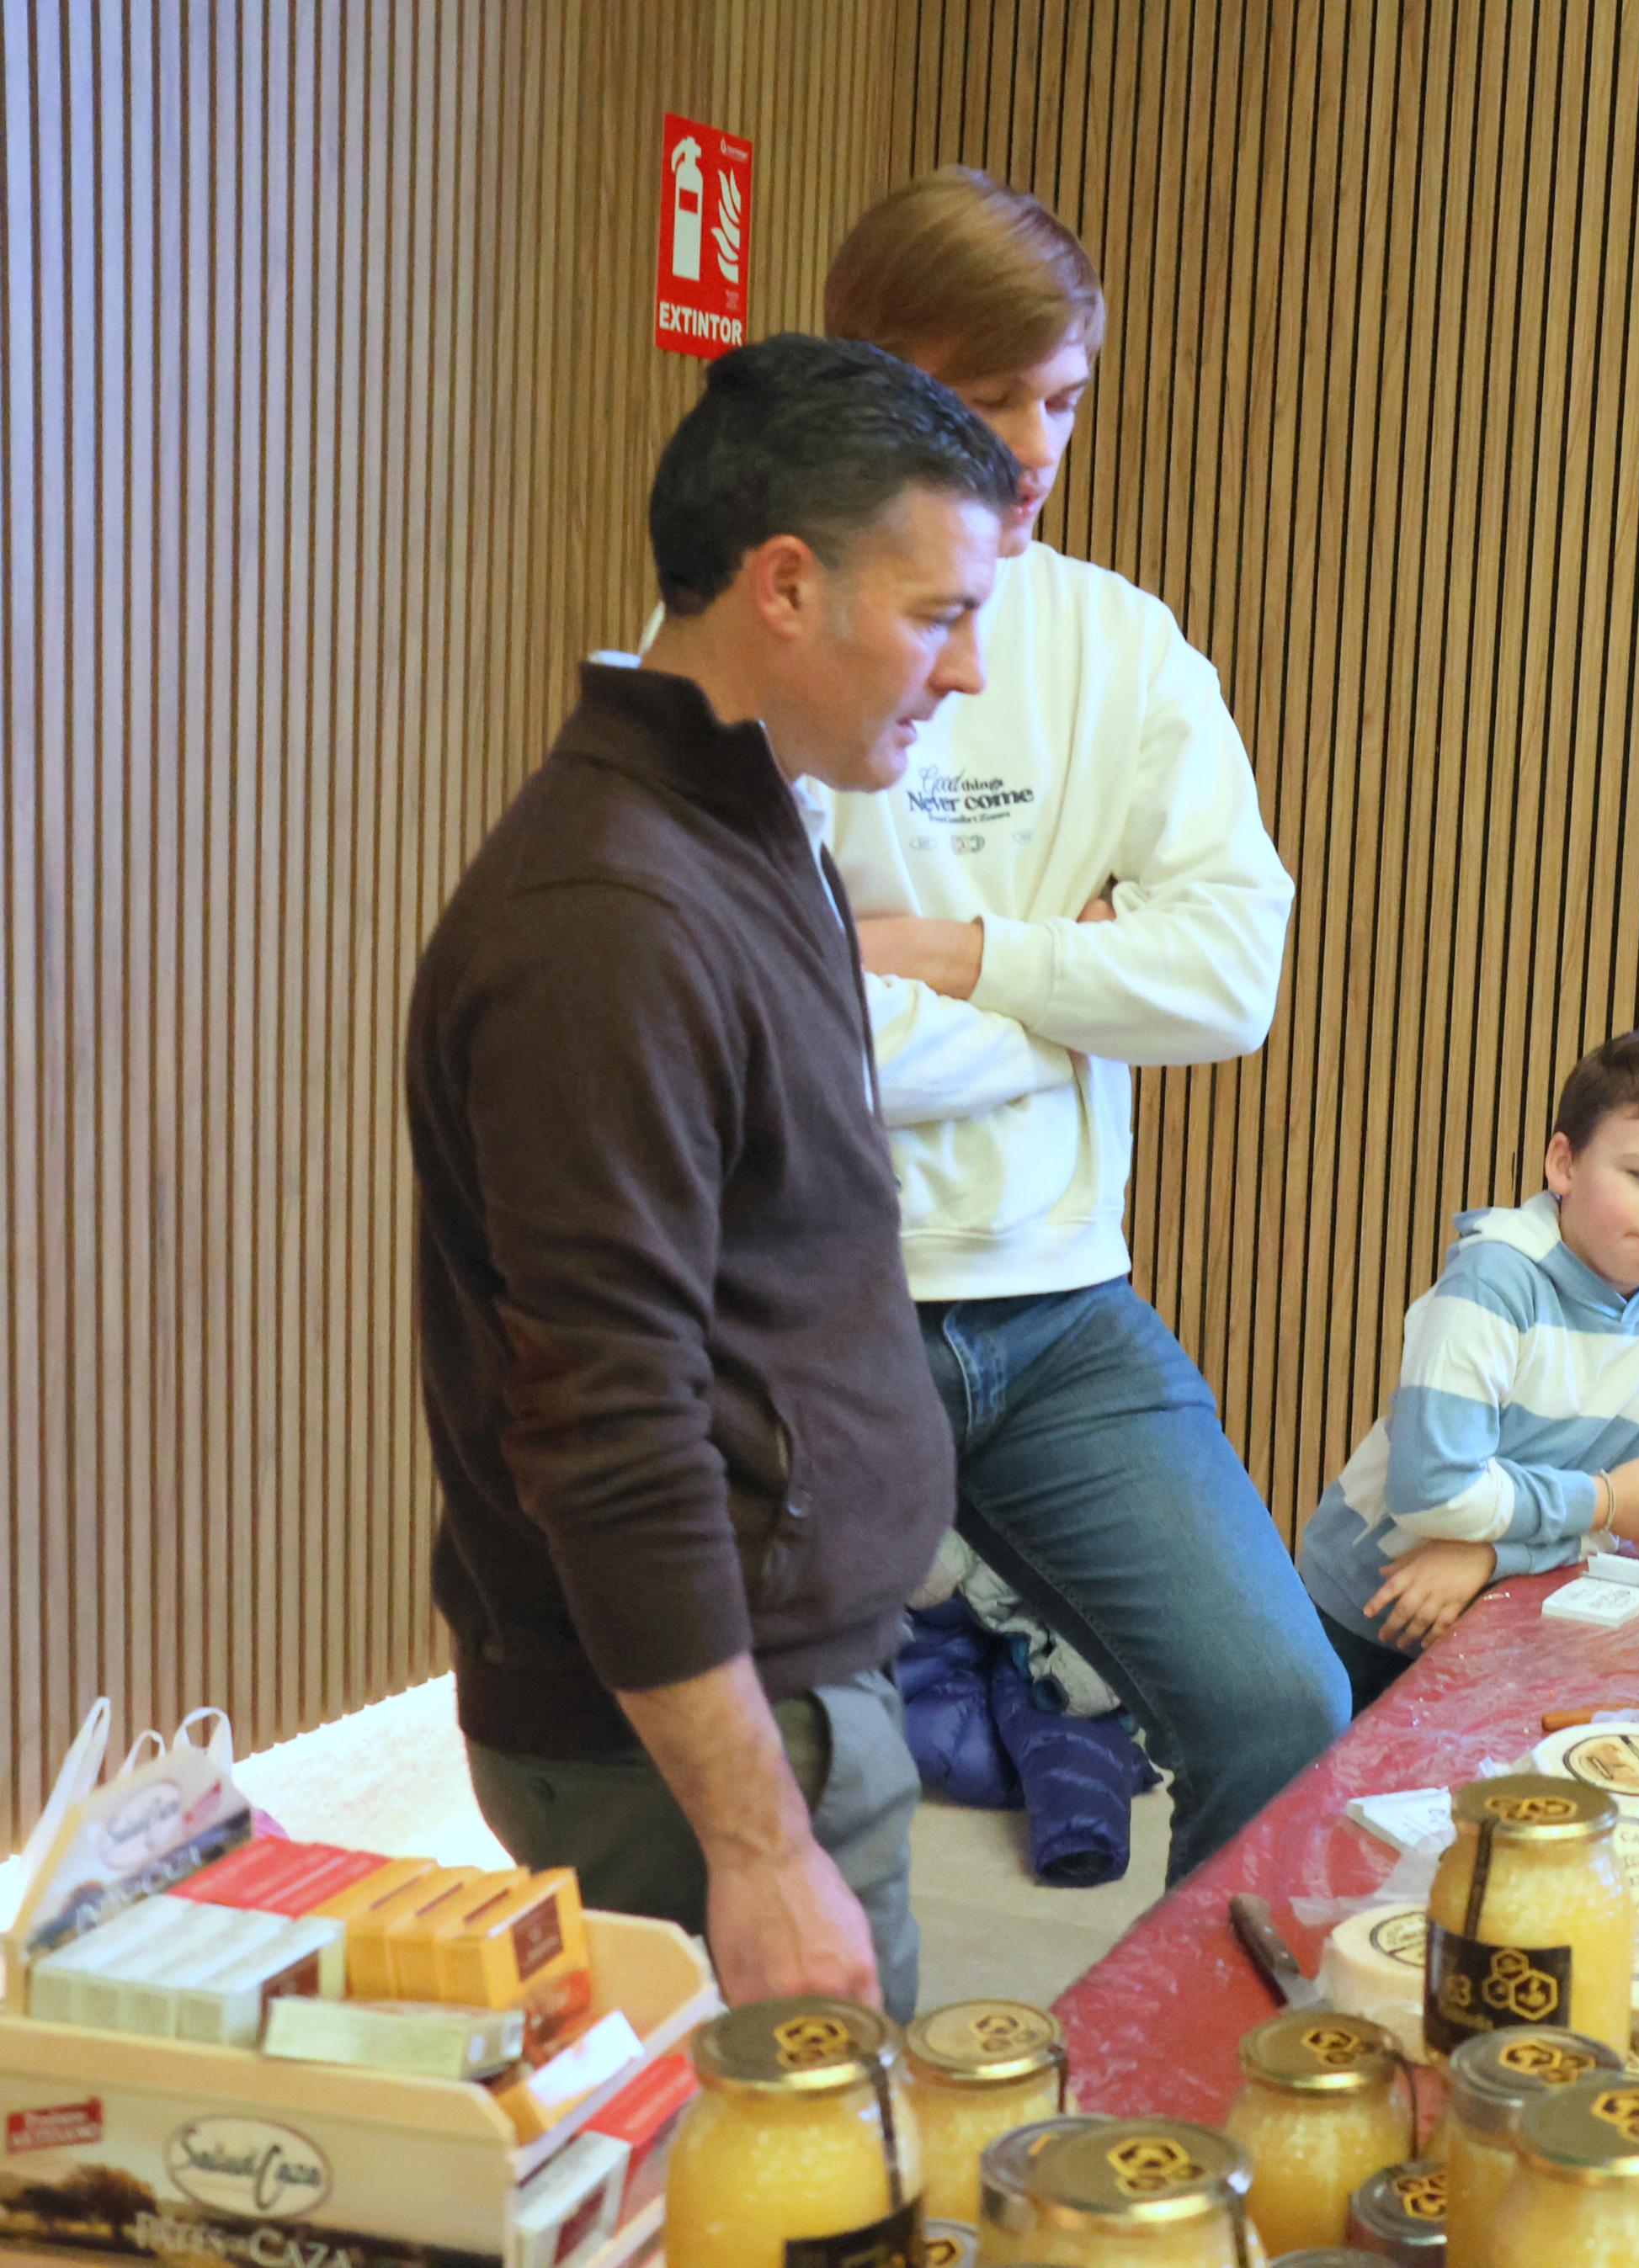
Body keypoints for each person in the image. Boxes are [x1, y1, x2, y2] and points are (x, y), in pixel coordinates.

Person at [409, 334, 1019, 2016]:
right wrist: (758, 1845)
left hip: (795, 1683)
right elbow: (607, 1427)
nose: (965, 671)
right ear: (783, 586)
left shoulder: (750, 828)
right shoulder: (611, 919)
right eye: (936, 613)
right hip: (697, 1732)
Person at [811, 169, 1349, 1880]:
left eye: (1060, 400)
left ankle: (1186, 2128)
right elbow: (783, 1035)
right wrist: (1069, 995)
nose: (1033, 447)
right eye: (986, 402)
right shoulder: (777, 629)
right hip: (815, 1305)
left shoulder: (1121, 642)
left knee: (1282, 1707)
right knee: (808, 1793)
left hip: (1057, 1312)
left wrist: (945, 950)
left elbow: (1228, 980)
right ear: (867, 385)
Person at [1296, 1030, 1639, 1712]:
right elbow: (1433, 1491)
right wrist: (1602, 1499)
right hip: (1363, 1611)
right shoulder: (1495, 1275)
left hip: (1515, 1610)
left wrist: (1488, 1555)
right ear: (1563, 1164)